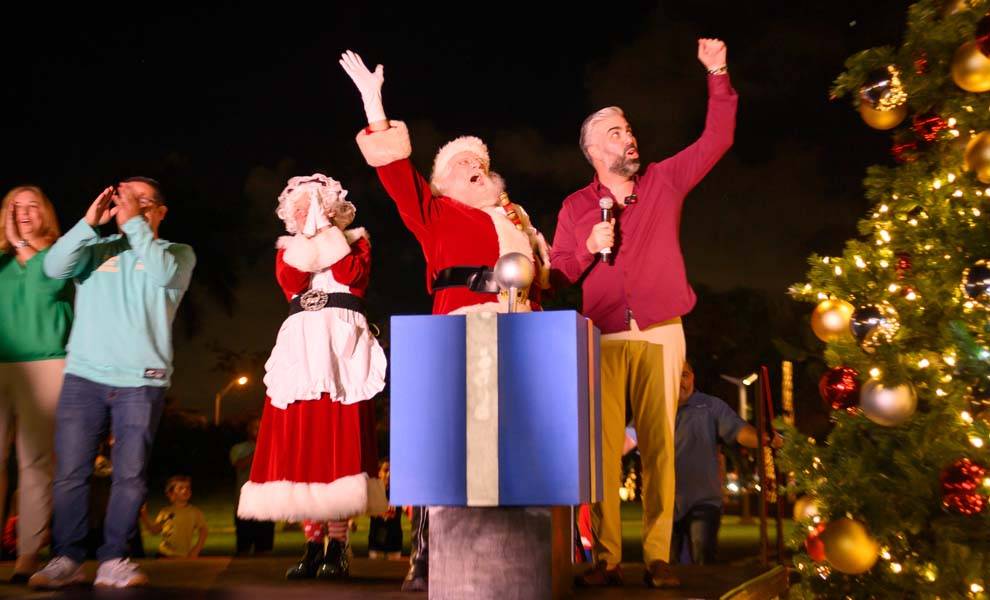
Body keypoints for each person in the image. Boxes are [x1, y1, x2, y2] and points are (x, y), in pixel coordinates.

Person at [340, 49, 552, 593]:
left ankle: (522, 552)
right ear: (441, 181)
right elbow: (393, 172)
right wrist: (373, 103)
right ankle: (426, 553)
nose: (473, 164)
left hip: (520, 335)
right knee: (446, 444)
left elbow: (546, 280)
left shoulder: (518, 221)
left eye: (479, 159)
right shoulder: (435, 211)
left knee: (515, 446)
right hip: (458, 330)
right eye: (460, 162)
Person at [550, 39, 737, 588]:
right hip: (602, 337)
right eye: (614, 132)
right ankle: (607, 557)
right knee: (604, 453)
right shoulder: (575, 207)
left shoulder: (664, 181)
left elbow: (718, 137)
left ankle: (659, 555)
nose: (629, 138)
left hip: (661, 332)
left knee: (660, 448)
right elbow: (557, 272)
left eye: (628, 129)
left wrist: (718, 73)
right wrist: (588, 244)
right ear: (591, 150)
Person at [29, 177, 196, 589]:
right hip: (84, 377)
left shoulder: (176, 254)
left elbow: (161, 275)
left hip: (142, 380)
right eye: (125, 199)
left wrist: (134, 221)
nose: (131, 207)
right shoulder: (96, 249)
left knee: (130, 474)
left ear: (160, 211)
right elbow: (52, 268)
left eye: (142, 201)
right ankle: (67, 558)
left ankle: (114, 560)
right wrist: (89, 223)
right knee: (70, 473)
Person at [236, 174, 387, 581]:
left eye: (314, 204)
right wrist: (308, 239)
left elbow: (353, 275)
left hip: (341, 347)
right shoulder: (289, 250)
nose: (307, 213)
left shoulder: (355, 242)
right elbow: (291, 281)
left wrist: (327, 235)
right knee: (304, 440)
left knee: (338, 441)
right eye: (300, 208)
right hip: (301, 347)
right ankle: (311, 544)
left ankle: (338, 546)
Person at [627, 362, 783, 565]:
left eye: (684, 375)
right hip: (663, 503)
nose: (680, 381)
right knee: (665, 565)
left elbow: (739, 431)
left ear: (692, 377)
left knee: (703, 561)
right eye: (674, 375)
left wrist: (764, 438)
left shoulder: (710, 406)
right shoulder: (651, 407)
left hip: (704, 501)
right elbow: (628, 439)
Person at [0, 185, 72, 582]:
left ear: (45, 212)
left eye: (32, 206)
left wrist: (21, 243)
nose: (24, 212)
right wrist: (7, 245)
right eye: (15, 207)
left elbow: (49, 282)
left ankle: (28, 553)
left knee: (35, 462)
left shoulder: (60, 252)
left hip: (46, 362)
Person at [230, 417, 273, 556]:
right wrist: (260, 450)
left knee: (264, 549)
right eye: (255, 427)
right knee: (243, 549)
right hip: (244, 504)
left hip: (266, 505)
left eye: (261, 426)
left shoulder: (273, 446)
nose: (259, 430)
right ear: (248, 430)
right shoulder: (239, 448)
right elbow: (239, 464)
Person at [139, 476, 208, 558]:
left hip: (184, 556)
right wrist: (144, 515)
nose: (185, 490)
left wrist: (196, 549)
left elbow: (204, 531)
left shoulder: (195, 512)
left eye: (188, 487)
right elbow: (154, 530)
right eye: (180, 488)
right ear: (171, 494)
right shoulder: (165, 512)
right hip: (164, 554)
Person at [367, 460, 402, 560]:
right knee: (374, 571)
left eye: (391, 471)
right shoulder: (373, 490)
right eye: (386, 470)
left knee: (394, 574)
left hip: (394, 541)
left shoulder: (398, 491)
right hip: (376, 541)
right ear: (379, 473)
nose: (389, 474)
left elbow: (408, 508)